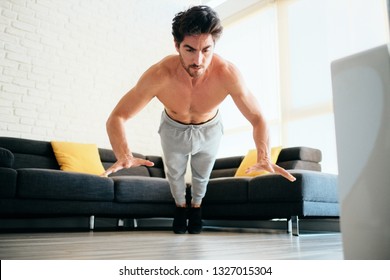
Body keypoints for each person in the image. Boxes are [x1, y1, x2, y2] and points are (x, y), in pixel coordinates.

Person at [102, 5, 296, 234]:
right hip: (173, 128)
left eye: (206, 49)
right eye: (189, 49)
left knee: (202, 176)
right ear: (177, 46)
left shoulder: (227, 73)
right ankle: (180, 207)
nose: (198, 59)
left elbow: (258, 117)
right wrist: (124, 154)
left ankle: (196, 208)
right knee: (174, 175)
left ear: (214, 45)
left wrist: (263, 155)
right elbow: (117, 116)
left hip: (210, 129)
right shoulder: (159, 75)